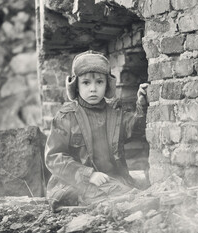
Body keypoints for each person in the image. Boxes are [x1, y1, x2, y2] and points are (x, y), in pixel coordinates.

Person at [44, 50, 148, 210]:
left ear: (107, 85)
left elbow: (136, 130)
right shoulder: (66, 116)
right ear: (76, 86)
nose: (93, 89)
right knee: (126, 199)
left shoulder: (115, 112)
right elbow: (54, 158)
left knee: (132, 193)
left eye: (99, 82)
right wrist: (89, 174)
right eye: (86, 83)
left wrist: (142, 105)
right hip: (74, 183)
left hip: (111, 179)